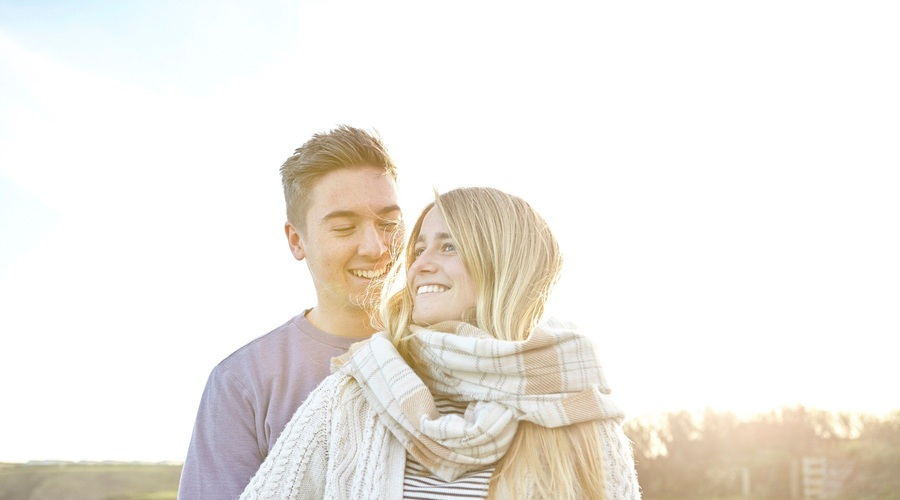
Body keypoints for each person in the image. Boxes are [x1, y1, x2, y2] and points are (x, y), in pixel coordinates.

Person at [240, 187, 642, 499]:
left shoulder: (574, 401)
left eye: (448, 246)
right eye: (418, 249)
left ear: (503, 261)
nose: (419, 265)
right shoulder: (357, 391)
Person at [178, 125, 403, 499]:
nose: (375, 246)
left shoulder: (453, 351)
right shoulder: (242, 382)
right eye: (345, 227)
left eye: (389, 224)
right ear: (297, 240)